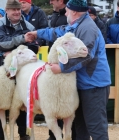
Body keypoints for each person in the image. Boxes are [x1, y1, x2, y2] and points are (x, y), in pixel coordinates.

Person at [26, 0, 111, 140]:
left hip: (94, 85)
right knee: (80, 126)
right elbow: (58, 32)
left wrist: (62, 68)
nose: (65, 12)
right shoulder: (77, 25)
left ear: (74, 12)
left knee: (96, 127)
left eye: (67, 10)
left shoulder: (88, 28)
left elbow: (86, 56)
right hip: (83, 83)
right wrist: (37, 33)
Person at [0, 0, 39, 140]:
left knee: (22, 100)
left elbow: (34, 46)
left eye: (18, 9)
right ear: (6, 10)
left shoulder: (29, 26)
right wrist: (22, 39)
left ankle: (24, 134)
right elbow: (0, 43)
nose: (16, 12)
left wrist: (16, 51)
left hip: (21, 69)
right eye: (13, 9)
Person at [46, 0, 68, 140]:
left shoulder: (70, 16)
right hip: (53, 62)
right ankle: (53, 135)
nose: (50, 2)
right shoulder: (53, 15)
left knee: (67, 100)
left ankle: (72, 134)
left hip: (67, 64)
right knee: (54, 99)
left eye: (53, 0)